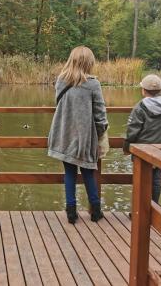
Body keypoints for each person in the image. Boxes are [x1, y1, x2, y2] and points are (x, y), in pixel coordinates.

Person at [48, 46, 108, 224]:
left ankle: (71, 212)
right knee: (89, 172)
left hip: (64, 133)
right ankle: (96, 211)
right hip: (84, 136)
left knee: (69, 173)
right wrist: (101, 133)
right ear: (89, 63)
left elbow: (60, 104)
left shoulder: (61, 80)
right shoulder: (93, 84)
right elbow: (100, 114)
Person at [123, 74, 161, 203]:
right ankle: (154, 206)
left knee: (140, 180)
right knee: (156, 179)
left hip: (142, 150)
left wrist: (126, 147)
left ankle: (140, 210)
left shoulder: (140, 107)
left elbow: (132, 131)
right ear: (159, 90)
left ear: (143, 90)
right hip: (159, 149)